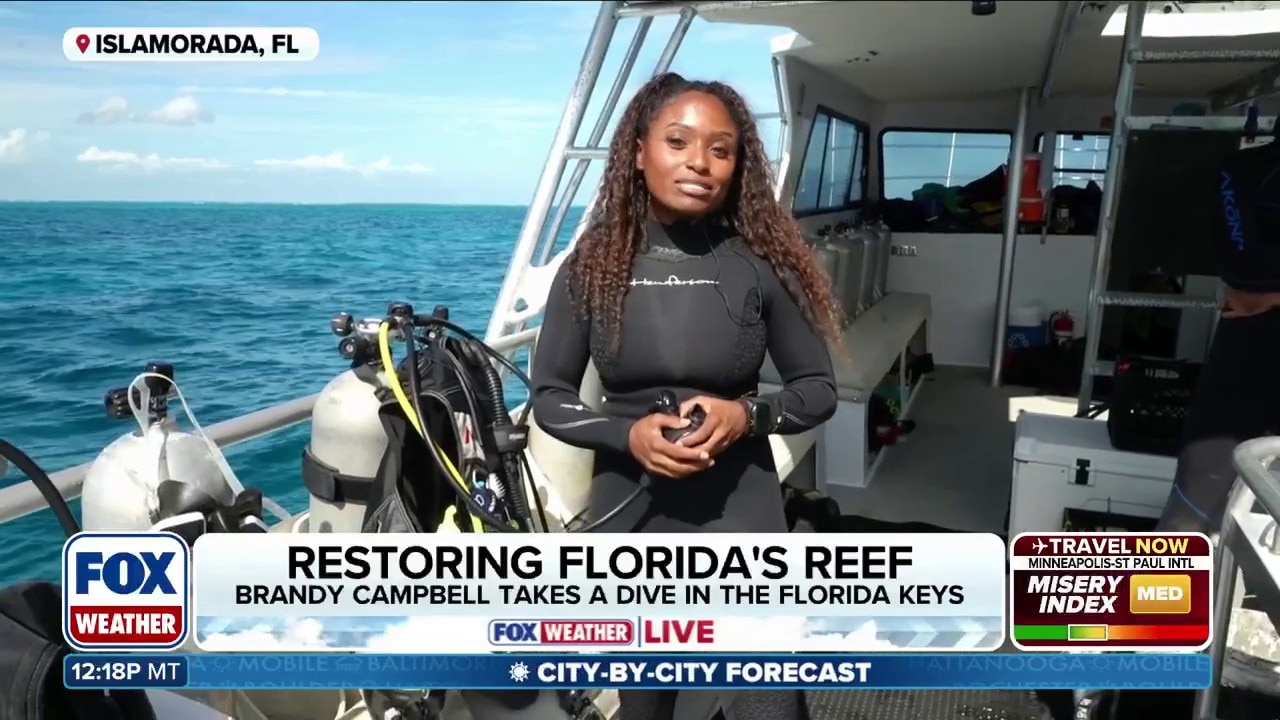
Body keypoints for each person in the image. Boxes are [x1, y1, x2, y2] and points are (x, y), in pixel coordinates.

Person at [530, 72, 842, 720]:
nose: (699, 162)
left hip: (741, 507)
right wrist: (626, 434)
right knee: (649, 704)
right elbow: (550, 395)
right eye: (678, 141)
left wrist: (745, 414)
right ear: (639, 150)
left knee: (771, 702)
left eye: (720, 149)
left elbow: (816, 392)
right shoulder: (591, 265)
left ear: (737, 166)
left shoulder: (761, 264)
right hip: (632, 513)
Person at [1157, 140, 1280, 534]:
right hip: (1253, 347)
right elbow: (1245, 271)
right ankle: (1155, 595)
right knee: (1193, 506)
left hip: (1257, 323)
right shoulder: (1247, 168)